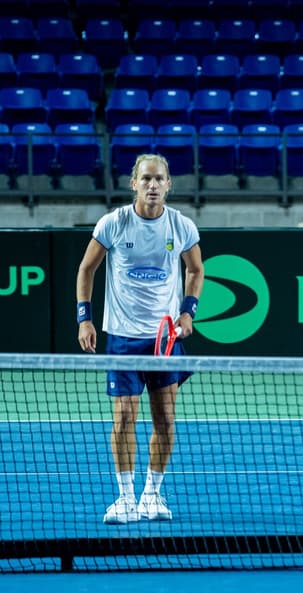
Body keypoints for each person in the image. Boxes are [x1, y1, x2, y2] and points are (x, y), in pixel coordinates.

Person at [76, 154, 204, 524]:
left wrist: (188, 311)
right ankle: (126, 499)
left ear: (168, 185)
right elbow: (86, 269)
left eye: (159, 179)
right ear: (134, 183)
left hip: (164, 341)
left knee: (165, 420)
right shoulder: (114, 223)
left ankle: (152, 495)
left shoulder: (181, 226)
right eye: (145, 178)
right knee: (124, 419)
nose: (152, 185)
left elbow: (195, 269)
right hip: (122, 337)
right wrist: (84, 319)